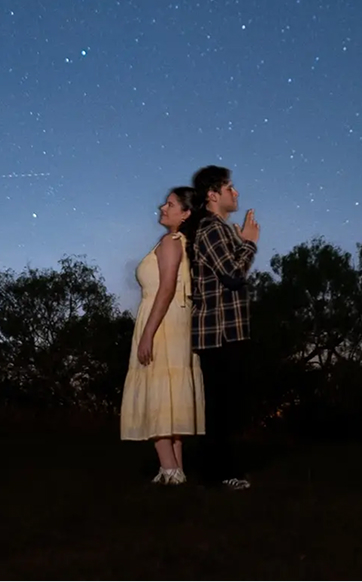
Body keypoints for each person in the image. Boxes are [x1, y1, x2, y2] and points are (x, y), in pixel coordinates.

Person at [180, 165, 259, 491]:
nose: (236, 192)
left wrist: (239, 242)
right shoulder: (212, 229)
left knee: (226, 406)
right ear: (213, 195)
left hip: (226, 331)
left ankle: (220, 472)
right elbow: (233, 275)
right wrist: (249, 243)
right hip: (219, 332)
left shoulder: (220, 230)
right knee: (222, 407)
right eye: (229, 188)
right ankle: (221, 473)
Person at [119, 186, 205, 485]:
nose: (162, 208)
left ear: (186, 213)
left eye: (170, 204)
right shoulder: (183, 243)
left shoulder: (171, 242)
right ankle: (175, 471)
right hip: (174, 319)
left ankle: (169, 468)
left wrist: (147, 334)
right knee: (169, 392)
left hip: (162, 320)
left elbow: (167, 288)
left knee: (156, 388)